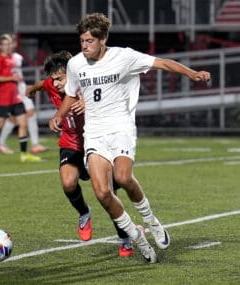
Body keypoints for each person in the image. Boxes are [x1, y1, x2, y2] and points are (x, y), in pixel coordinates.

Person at [49, 13, 211, 263]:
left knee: (123, 177)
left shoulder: (124, 57)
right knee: (102, 193)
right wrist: (59, 115)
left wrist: (192, 74)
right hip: (94, 133)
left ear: (103, 39)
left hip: (121, 127)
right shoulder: (76, 64)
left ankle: (152, 221)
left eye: (89, 40)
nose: (84, 46)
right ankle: (138, 238)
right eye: (81, 40)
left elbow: (163, 63)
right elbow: (71, 93)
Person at [27, 51, 133, 256]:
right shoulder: (52, 84)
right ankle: (84, 212)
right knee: (68, 183)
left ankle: (124, 236)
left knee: (107, 195)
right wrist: (31, 89)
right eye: (54, 79)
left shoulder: (90, 86)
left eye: (60, 78)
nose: (56, 83)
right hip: (70, 142)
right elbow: (43, 84)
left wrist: (89, 104)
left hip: (97, 145)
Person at [0, 34, 40, 164]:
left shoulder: (12, 58)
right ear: (0, 46)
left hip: (15, 97)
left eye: (9, 44)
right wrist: (12, 78)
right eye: (5, 44)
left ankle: (23, 154)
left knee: (23, 123)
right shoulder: (0, 59)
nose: (8, 46)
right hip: (4, 97)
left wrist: (17, 78)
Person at [0, 35, 48, 155]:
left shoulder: (17, 57)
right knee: (29, 113)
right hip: (16, 90)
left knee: (15, 118)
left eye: (12, 42)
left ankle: (1, 143)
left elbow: (26, 68)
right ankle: (35, 144)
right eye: (9, 43)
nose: (11, 45)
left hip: (20, 88)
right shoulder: (7, 58)